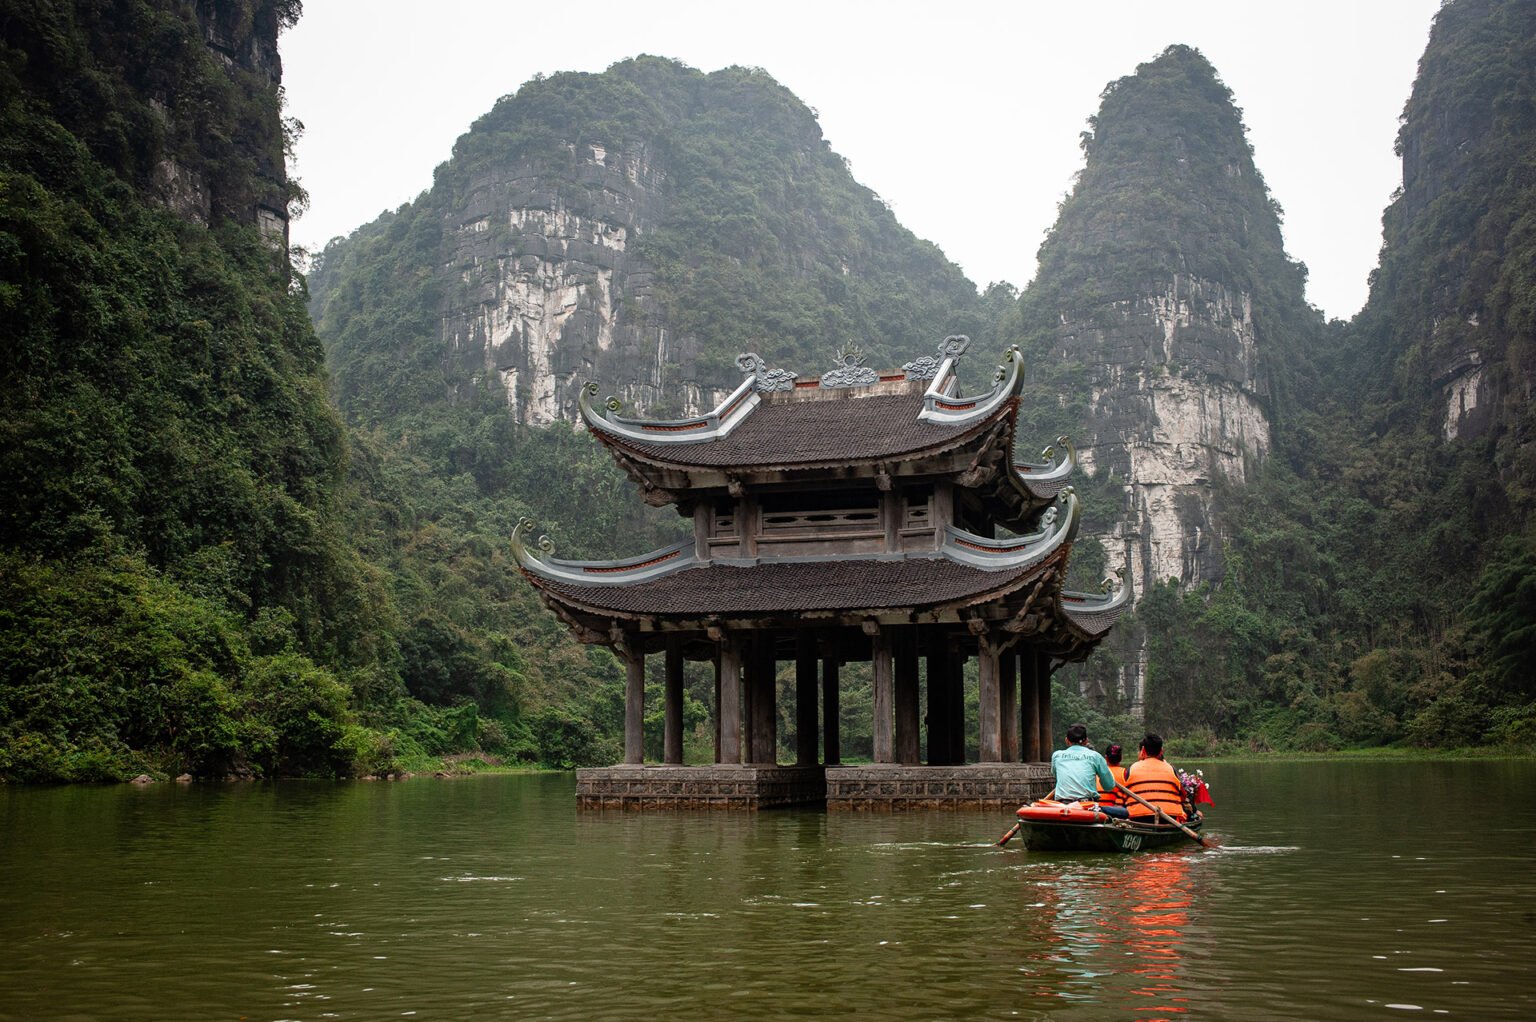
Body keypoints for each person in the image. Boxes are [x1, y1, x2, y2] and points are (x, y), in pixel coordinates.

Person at [1050, 724, 1129, 819]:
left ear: (1066, 740)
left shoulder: (1057, 755)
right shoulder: (1095, 756)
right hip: (1087, 806)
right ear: (1086, 741)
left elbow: (1056, 775)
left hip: (1062, 805)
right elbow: (1109, 786)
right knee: (1125, 813)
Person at [1124, 733, 1191, 822]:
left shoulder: (1131, 769)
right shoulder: (1171, 769)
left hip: (1138, 818)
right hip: (1169, 818)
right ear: (1161, 751)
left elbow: (1124, 796)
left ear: (1143, 750)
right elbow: (1183, 795)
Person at [1096, 743, 1131, 807]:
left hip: (1098, 811)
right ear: (1121, 757)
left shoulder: (1097, 773)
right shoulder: (1125, 773)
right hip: (1116, 812)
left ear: (1106, 758)